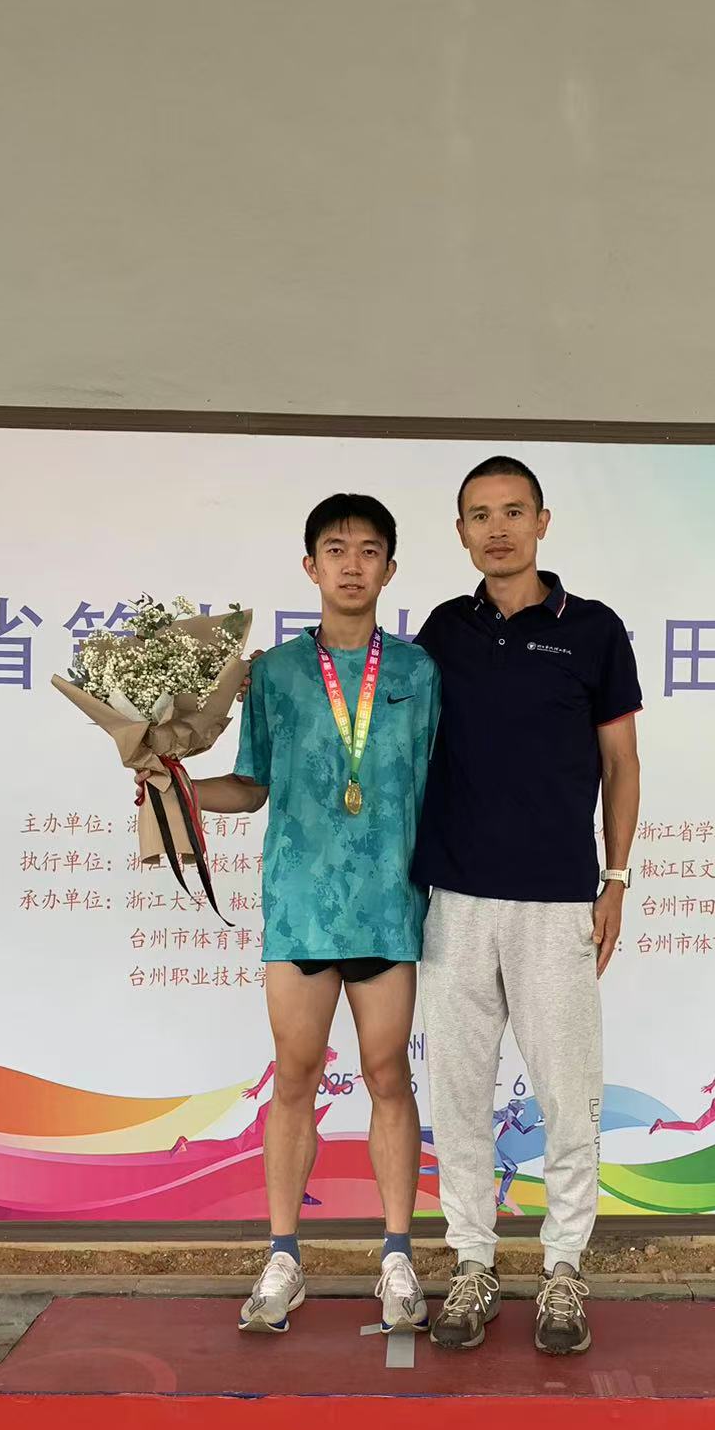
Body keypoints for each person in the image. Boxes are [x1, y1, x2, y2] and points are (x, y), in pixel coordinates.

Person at [139, 494, 440, 1335]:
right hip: (301, 906)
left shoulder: (418, 673)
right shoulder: (272, 672)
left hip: (388, 904)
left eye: (369, 550)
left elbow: (444, 785)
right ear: (310, 565)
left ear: (390, 567)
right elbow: (252, 785)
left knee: (388, 1074)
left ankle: (396, 1255)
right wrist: (175, 787)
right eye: (335, 549)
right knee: (296, 1074)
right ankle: (282, 1256)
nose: (352, 564)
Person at [412, 455, 642, 1355]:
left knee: (568, 1094)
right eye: (480, 514)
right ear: (461, 531)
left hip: (557, 902)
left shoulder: (594, 629)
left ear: (543, 522)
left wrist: (615, 879)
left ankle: (564, 1268)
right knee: (459, 1092)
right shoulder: (443, 630)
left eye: (513, 511)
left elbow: (621, 763)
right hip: (457, 899)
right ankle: (472, 1260)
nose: (497, 528)